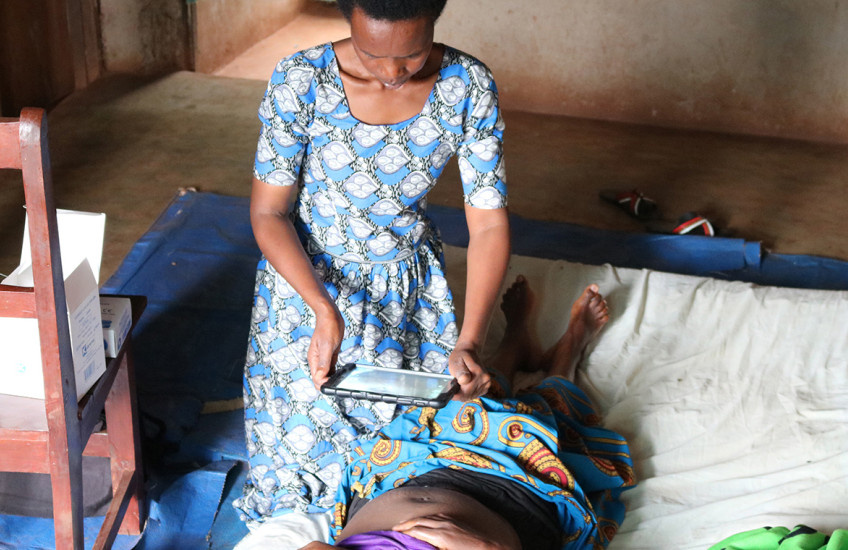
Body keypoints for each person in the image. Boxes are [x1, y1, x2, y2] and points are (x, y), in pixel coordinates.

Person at [236, 0, 510, 522]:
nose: (390, 73)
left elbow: (490, 223)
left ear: (436, 21)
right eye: (371, 54)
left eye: (410, 56)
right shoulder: (302, 79)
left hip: (406, 291)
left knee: (415, 461)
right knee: (300, 482)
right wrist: (321, 307)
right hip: (306, 287)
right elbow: (269, 212)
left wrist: (469, 338)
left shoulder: (467, 85)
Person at [299, 276, 637, 550]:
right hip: (510, 497)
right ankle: (567, 354)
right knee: (542, 425)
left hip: (404, 473)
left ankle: (514, 344)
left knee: (463, 403)